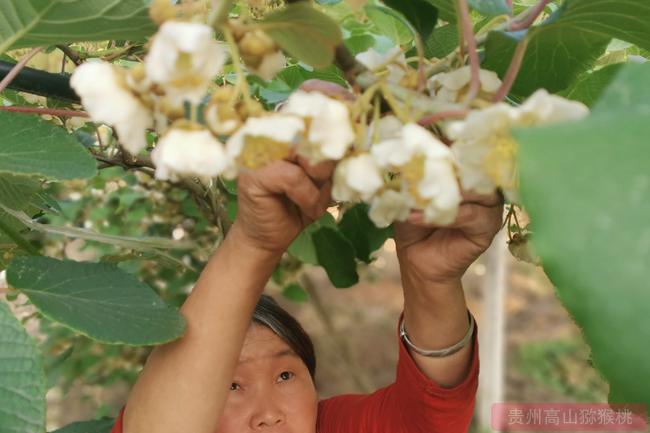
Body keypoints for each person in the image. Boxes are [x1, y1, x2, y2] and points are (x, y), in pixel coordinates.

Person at [111, 149, 503, 433]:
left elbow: (427, 418)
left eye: (285, 375)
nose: (268, 414)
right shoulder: (164, 414)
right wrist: (253, 244)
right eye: (232, 385)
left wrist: (431, 282)